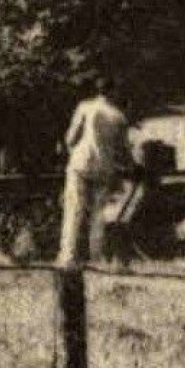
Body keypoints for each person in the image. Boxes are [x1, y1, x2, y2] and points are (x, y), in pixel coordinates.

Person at [58, 75, 133, 267]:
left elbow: (70, 139)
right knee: (98, 215)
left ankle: (68, 257)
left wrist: (71, 149)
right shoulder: (119, 116)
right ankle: (96, 258)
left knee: (75, 211)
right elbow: (123, 151)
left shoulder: (84, 107)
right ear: (112, 92)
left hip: (81, 165)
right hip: (104, 169)